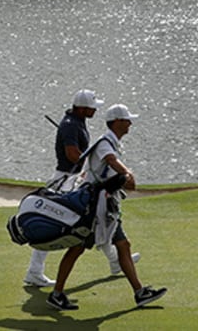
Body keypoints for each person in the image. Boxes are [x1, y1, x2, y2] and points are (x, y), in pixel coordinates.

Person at [46, 103, 167, 311]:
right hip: (93, 209)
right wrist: (127, 174)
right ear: (117, 122)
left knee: (123, 245)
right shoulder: (105, 144)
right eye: (127, 120)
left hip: (104, 206)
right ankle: (56, 294)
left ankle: (139, 292)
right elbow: (112, 163)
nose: (130, 123)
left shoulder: (111, 142)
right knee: (76, 248)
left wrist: (126, 177)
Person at [24, 89, 138, 287]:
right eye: (93, 107)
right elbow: (71, 154)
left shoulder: (77, 122)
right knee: (61, 221)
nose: (95, 110)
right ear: (83, 108)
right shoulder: (70, 125)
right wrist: (91, 161)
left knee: (95, 220)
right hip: (66, 179)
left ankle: (115, 260)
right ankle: (35, 271)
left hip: (74, 177)